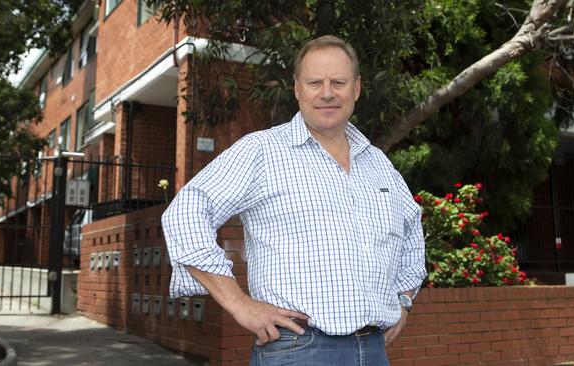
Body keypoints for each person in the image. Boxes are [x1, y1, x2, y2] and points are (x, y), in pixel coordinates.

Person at [162, 35, 426, 366]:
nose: (327, 92)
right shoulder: (261, 151)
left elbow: (412, 231)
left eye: (338, 82)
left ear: (356, 88)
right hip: (298, 349)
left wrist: (402, 299)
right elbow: (185, 215)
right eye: (315, 82)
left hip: (373, 349)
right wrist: (239, 303)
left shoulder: (377, 163)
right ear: (297, 88)